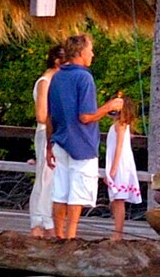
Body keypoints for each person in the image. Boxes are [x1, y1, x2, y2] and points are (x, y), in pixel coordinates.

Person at [44, 34, 123, 240]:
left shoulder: (57, 76)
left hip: (60, 141)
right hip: (81, 144)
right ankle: (70, 238)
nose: (93, 54)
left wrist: (48, 146)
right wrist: (109, 107)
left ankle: (59, 237)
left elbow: (50, 116)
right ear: (80, 53)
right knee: (77, 194)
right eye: (90, 50)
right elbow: (85, 116)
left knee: (60, 191)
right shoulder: (84, 77)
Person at [27, 43, 65, 237]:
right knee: (45, 178)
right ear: (58, 61)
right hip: (45, 134)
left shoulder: (59, 81)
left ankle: (49, 221)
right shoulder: (46, 81)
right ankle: (38, 222)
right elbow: (41, 116)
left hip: (58, 135)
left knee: (55, 180)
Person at [105, 100, 142, 240]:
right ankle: (117, 230)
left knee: (119, 199)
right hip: (117, 163)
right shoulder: (119, 125)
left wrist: (113, 170)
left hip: (120, 164)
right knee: (115, 199)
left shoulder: (121, 125)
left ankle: (118, 232)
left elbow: (119, 147)